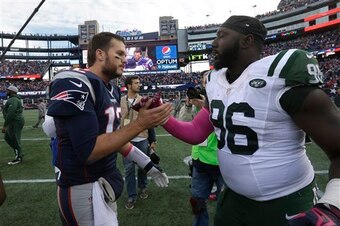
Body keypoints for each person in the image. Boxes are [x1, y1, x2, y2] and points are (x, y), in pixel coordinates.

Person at [162, 15, 340, 226]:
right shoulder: (214, 81)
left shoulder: (278, 75)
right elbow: (196, 132)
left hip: (287, 200)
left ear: (247, 41)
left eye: (222, 35)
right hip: (233, 200)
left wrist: (333, 205)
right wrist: (159, 116)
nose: (214, 42)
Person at [45, 32, 172, 225]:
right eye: (119, 54)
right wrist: (140, 123)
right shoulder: (75, 81)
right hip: (81, 185)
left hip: (105, 179)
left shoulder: (110, 88)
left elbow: (113, 138)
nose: (124, 59)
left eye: (125, 55)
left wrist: (146, 164)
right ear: (100, 54)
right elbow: (89, 151)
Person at [180, 71, 224, 226]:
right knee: (197, 200)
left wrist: (208, 108)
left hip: (221, 162)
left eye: (208, 80)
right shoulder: (199, 102)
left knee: (226, 204)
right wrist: (188, 105)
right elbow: (183, 123)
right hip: (199, 160)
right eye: (204, 81)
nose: (206, 84)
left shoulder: (224, 99)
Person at [120, 76, 157, 209]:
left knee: (143, 167)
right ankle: (131, 196)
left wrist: (153, 140)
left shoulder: (144, 101)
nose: (139, 85)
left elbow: (150, 121)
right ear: (129, 86)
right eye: (136, 83)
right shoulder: (120, 101)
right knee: (129, 170)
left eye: (139, 82)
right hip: (126, 141)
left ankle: (143, 187)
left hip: (142, 138)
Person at [1, 85, 25, 165]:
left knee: (14, 138)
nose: (6, 91)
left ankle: (19, 157)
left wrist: (5, 125)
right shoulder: (13, 99)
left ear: (12, 91)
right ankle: (19, 152)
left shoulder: (13, 100)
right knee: (7, 138)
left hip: (15, 121)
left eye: (8, 90)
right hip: (14, 121)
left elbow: (11, 113)